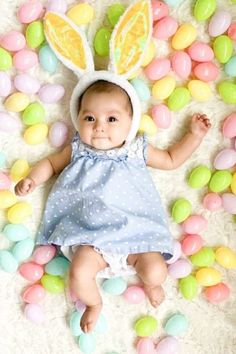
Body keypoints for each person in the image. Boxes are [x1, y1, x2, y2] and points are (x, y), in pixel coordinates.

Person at [15, 79, 211, 333]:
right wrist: (32, 179)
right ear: (78, 119)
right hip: (92, 238)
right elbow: (51, 164)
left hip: (136, 236)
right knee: (79, 271)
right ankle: (94, 303)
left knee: (156, 271)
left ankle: (150, 284)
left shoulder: (136, 149)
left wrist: (193, 136)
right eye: (89, 119)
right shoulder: (77, 149)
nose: (99, 128)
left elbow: (171, 159)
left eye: (111, 119)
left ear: (130, 123)